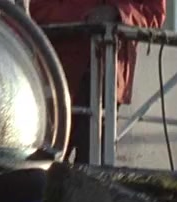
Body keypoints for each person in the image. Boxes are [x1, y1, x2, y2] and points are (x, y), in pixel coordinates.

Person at [28, 0, 166, 163]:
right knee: (44, 163)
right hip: (58, 78)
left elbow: (154, 13)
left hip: (108, 78)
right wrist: (84, 17)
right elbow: (37, 10)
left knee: (92, 163)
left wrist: (118, 13)